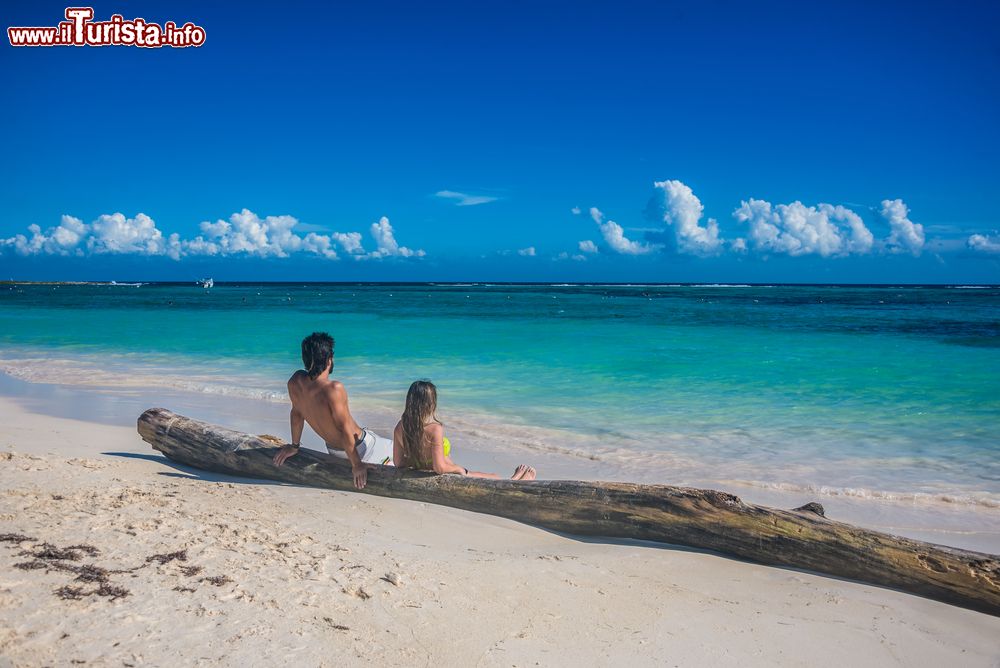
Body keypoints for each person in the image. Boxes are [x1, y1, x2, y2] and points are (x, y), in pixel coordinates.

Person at [272, 332, 393, 489]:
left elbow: (296, 414)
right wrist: (357, 465)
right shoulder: (333, 389)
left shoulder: (295, 382)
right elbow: (344, 430)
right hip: (362, 449)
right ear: (329, 360)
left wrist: (294, 446)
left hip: (335, 451)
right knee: (398, 449)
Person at [393, 380, 536, 480]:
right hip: (450, 472)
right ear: (430, 404)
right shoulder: (434, 429)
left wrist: (418, 464)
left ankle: (515, 479)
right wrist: (458, 469)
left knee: (493, 476)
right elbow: (439, 468)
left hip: (428, 470)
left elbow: (398, 462)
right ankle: (516, 480)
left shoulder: (400, 427)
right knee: (494, 478)